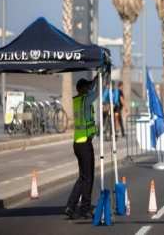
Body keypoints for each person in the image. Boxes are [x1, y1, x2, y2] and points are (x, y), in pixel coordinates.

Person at [64, 76, 100, 220]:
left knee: (83, 176)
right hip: (85, 143)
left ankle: (71, 206)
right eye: (87, 87)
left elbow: (92, 89)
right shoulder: (85, 100)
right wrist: (99, 78)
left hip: (77, 143)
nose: (89, 89)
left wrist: (94, 80)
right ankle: (85, 209)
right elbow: (97, 93)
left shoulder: (77, 100)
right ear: (83, 88)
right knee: (88, 177)